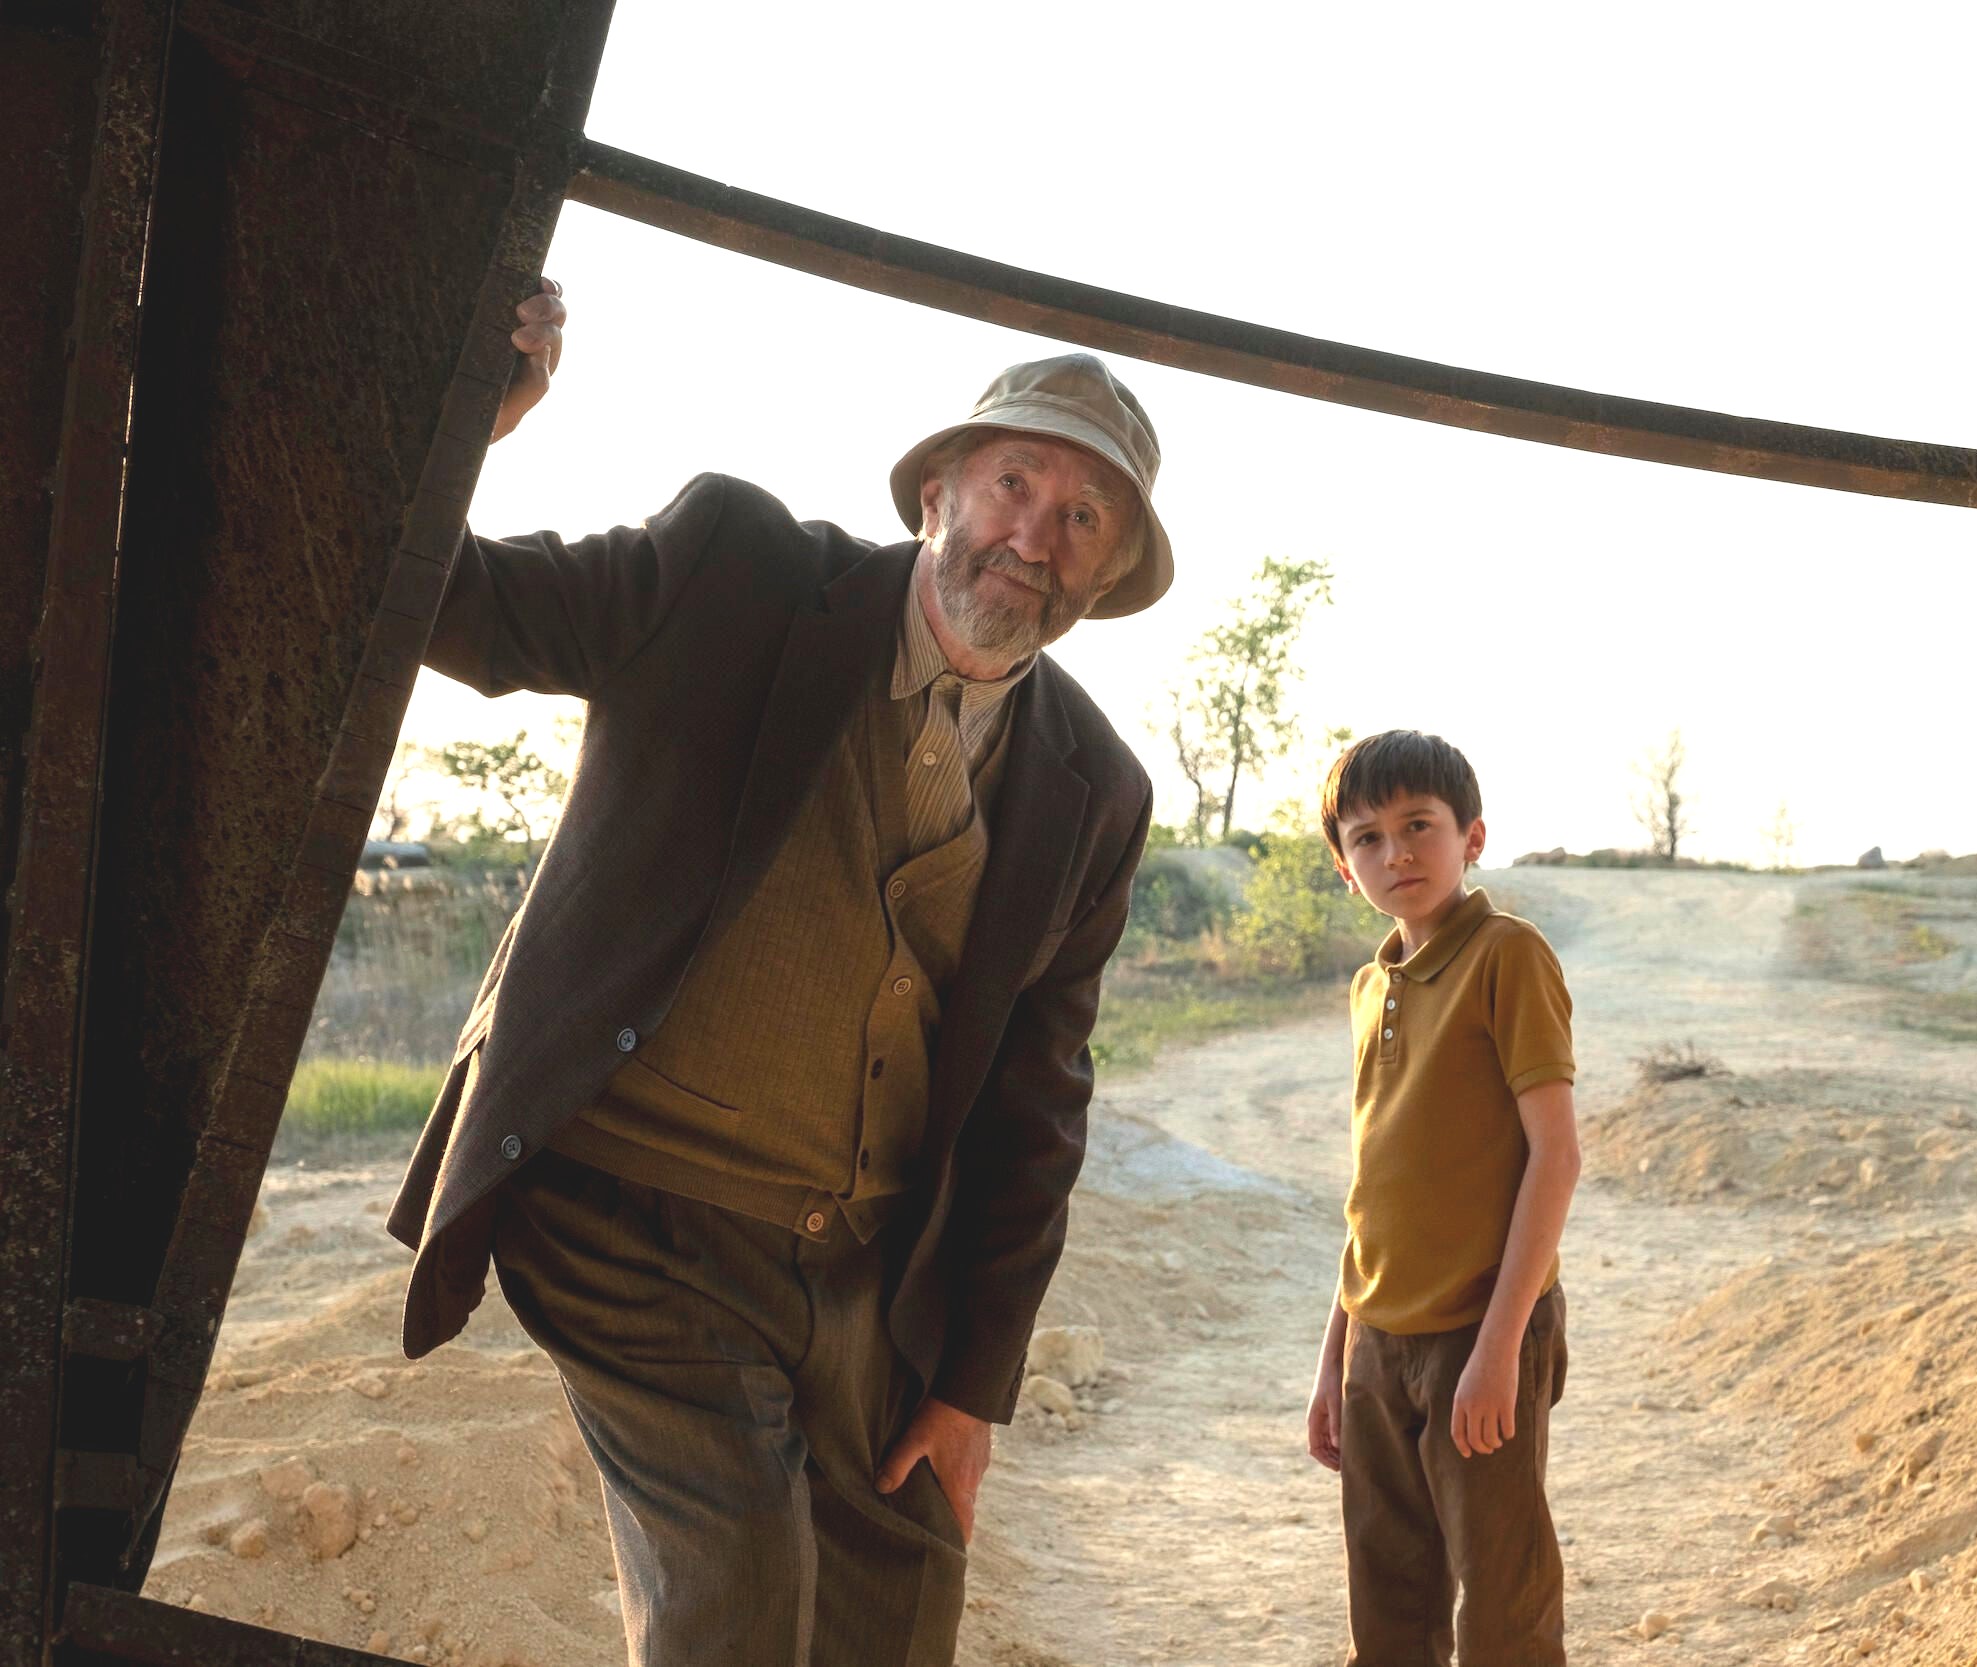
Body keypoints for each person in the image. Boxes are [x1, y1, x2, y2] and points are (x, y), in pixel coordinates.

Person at [384, 279, 1166, 1666]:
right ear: (937, 490)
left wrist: (971, 1384)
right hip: (629, 1213)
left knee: (899, 1604)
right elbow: (456, 604)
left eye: (1084, 517)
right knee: (738, 1601)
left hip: (862, 1270)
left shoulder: (1094, 785)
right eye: (1014, 483)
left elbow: (1037, 1103)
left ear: (1104, 579)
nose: (1034, 536)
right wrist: (463, 419)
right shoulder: (732, 572)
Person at [1304, 730, 1582, 1665]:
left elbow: (1556, 1155)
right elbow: (1372, 1190)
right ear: (1345, 868)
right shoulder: (1368, 986)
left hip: (1481, 1329)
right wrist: (1336, 1357)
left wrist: (1501, 1347)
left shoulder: (1508, 955)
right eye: (1368, 837)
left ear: (1473, 836)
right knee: (1386, 1608)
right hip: (1376, 1343)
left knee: (1503, 1610)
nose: (1397, 853)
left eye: (1419, 824)